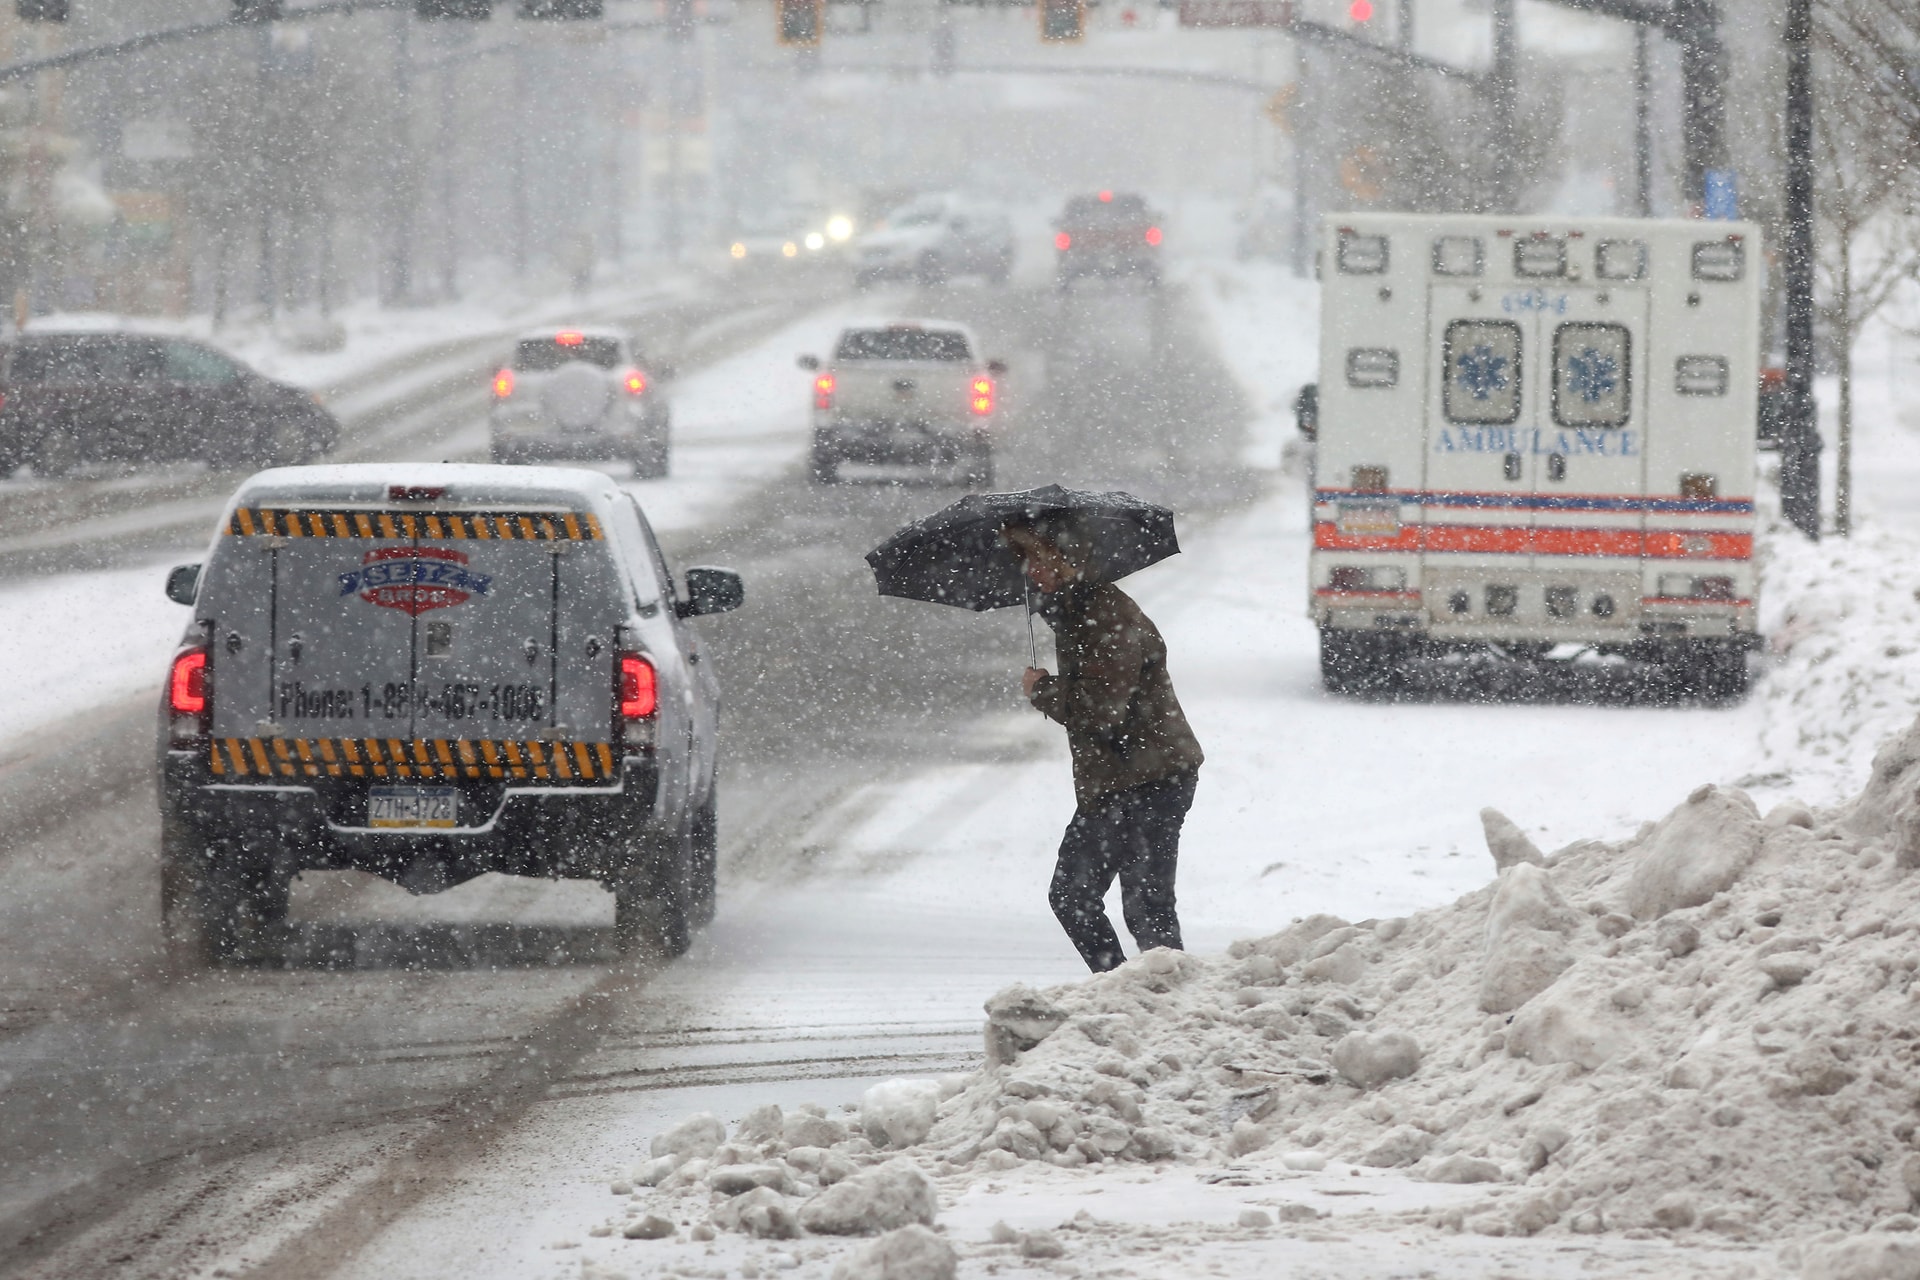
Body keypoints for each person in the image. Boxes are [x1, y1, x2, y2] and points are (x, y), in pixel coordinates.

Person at [1003, 511, 1204, 973]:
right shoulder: (1076, 613)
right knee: (1088, 897)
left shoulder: (1104, 614)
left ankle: (1159, 1004)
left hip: (1148, 777)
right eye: (1024, 559)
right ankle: (1128, 996)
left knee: (1139, 905)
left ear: (1068, 558)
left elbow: (1101, 708)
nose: (1030, 571)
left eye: (1038, 557)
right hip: (1123, 777)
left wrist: (1043, 691)